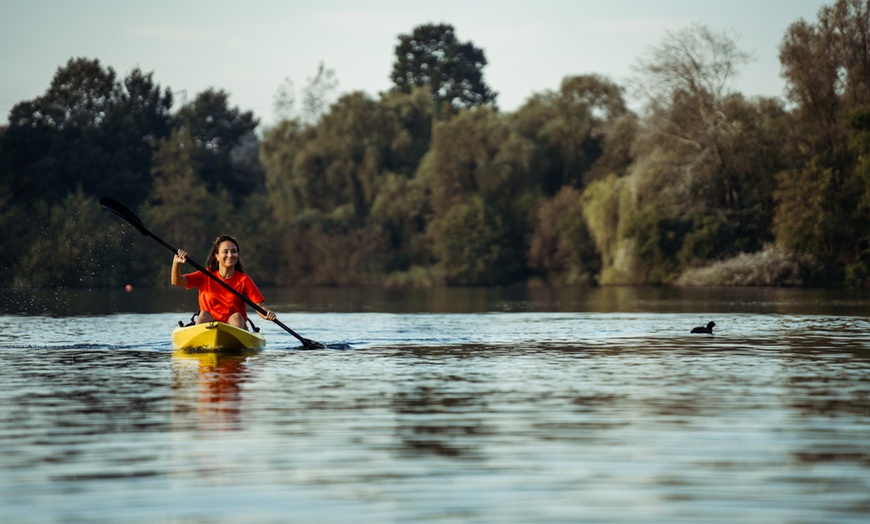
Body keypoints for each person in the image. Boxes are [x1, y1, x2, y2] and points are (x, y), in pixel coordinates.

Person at [171, 235, 276, 330]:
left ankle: (235, 342)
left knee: (236, 317)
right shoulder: (205, 275)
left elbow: (260, 307)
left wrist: (268, 314)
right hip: (209, 323)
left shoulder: (244, 279)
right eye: (225, 252)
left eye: (233, 251)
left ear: (238, 255)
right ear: (217, 256)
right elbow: (177, 281)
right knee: (203, 314)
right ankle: (201, 339)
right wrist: (176, 263)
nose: (230, 255)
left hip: (235, 325)